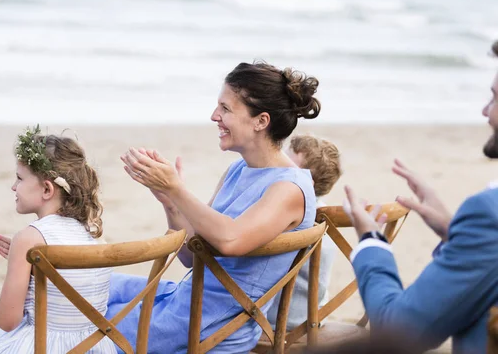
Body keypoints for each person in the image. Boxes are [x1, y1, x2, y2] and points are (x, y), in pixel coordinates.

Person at [110, 61, 322, 353]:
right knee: (87, 285)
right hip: (187, 300)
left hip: (209, 326)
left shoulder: (289, 188)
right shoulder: (238, 170)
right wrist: (171, 203)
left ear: (261, 121)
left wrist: (177, 188)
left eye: (225, 109)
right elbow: (192, 256)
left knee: (73, 320)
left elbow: (230, 240)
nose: (214, 116)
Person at [342, 41, 498, 354]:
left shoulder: (489, 214)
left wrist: (371, 240)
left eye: (494, 97)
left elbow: (399, 331)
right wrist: (454, 232)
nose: (485, 111)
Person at [0, 126, 116, 354]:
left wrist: (18, 263)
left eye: (20, 178)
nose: (13, 187)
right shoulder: (94, 237)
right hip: (95, 347)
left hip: (43, 346)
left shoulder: (29, 239)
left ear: (46, 189)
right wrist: (33, 269)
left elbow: (7, 321)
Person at [267, 134, 342, 330]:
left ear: (309, 184)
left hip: (275, 322)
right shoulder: (325, 213)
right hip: (314, 318)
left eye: (288, 168)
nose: (277, 169)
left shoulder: (286, 216)